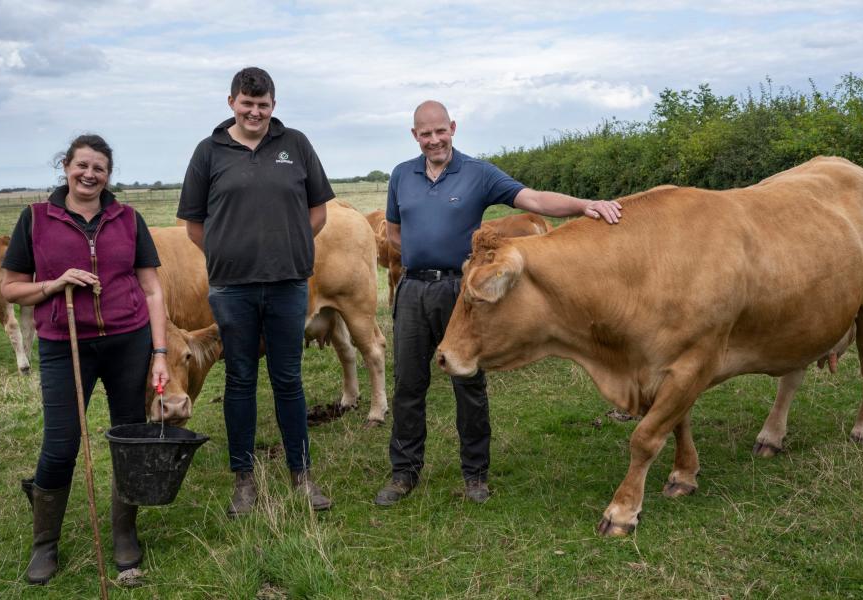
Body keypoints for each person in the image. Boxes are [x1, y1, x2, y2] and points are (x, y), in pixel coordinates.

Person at [375, 100, 623, 506]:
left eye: (441, 131)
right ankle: (403, 473)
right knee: (408, 384)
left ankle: (475, 475)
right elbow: (396, 233)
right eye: (425, 133)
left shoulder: (478, 173)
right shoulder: (402, 175)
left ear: (453, 127)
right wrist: (422, 262)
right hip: (413, 291)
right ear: (414, 135)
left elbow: (536, 201)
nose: (434, 139)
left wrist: (584, 206)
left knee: (468, 381)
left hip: (462, 292)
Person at [1, 134, 170, 584]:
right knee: (61, 444)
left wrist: (159, 352)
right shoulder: (36, 219)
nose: (89, 174)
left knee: (129, 436)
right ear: (66, 167)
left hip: (127, 341)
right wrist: (53, 285)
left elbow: (152, 289)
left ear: (108, 175)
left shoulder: (129, 219)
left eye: (99, 168)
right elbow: (11, 287)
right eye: (81, 165)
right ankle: (45, 544)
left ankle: (124, 534)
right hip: (63, 341)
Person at [177, 66, 334, 516]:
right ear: (232, 103)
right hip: (232, 290)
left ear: (273, 105)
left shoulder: (296, 144)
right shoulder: (209, 152)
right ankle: (244, 479)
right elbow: (193, 224)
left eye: (263, 105)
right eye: (247, 104)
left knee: (289, 379)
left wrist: (291, 249)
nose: (255, 112)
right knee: (240, 379)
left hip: (288, 285)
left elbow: (318, 212)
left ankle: (301, 475)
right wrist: (230, 256)